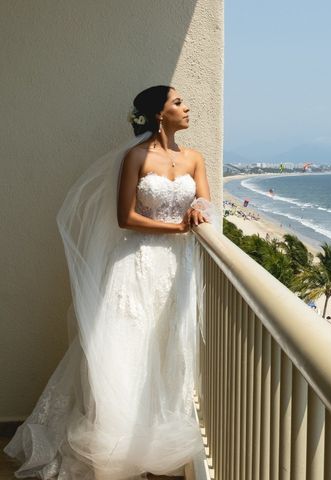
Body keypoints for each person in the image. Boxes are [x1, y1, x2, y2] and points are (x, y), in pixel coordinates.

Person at [4, 86, 216, 479]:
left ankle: (155, 438)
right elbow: (126, 217)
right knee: (128, 350)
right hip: (135, 264)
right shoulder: (136, 157)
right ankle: (119, 444)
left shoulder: (195, 159)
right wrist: (176, 227)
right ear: (158, 115)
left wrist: (200, 214)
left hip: (176, 269)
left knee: (165, 348)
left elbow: (204, 204)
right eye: (178, 103)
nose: (187, 108)